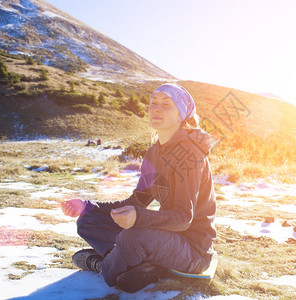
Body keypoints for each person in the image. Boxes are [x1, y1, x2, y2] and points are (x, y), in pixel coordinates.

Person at [61, 83, 216, 293]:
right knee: (88, 220)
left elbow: (183, 218)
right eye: (153, 104)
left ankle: (103, 265)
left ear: (181, 114)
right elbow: (137, 201)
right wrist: (89, 205)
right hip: (164, 238)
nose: (157, 109)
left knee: (131, 237)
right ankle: (142, 264)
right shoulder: (154, 153)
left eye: (166, 104)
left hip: (193, 250)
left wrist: (139, 218)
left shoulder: (189, 154)